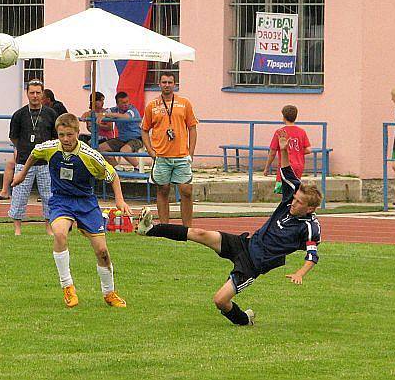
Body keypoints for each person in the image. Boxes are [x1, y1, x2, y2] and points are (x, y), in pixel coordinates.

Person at [136, 129, 323, 326]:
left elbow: (312, 254)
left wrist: (299, 274)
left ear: (310, 208)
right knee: (199, 233)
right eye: (294, 199)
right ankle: (149, 229)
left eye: (299, 202)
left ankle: (244, 320)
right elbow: (286, 172)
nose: (293, 203)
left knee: (220, 300)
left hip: (253, 264)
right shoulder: (291, 198)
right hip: (245, 243)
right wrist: (283, 151)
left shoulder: (311, 226)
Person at [12, 113, 130, 308]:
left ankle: (109, 293)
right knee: (59, 234)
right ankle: (67, 287)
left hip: (86, 203)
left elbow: (112, 174)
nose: (65, 139)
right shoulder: (50, 148)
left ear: (77, 132)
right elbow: (34, 153)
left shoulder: (89, 155)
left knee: (102, 251)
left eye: (69, 135)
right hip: (61, 200)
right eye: (61, 135)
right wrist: (22, 174)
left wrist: (119, 200)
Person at [140, 72, 198, 227]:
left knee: (186, 191)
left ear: (175, 84)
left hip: (181, 155)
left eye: (170, 82)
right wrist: (151, 152)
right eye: (164, 82)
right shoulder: (152, 106)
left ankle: (187, 228)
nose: (167, 85)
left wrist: (191, 153)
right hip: (161, 156)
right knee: (163, 190)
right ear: (159, 84)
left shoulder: (184, 103)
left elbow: (192, 128)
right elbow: (144, 130)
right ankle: (165, 227)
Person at [9, 79, 57, 236]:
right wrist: (23, 150)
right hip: (24, 161)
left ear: (42, 93)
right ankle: (17, 228)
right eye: (32, 93)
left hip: (46, 163)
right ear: (27, 94)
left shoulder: (50, 114)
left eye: (38, 92)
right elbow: (14, 137)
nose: (35, 96)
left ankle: (49, 227)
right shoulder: (19, 115)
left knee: (49, 196)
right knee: (19, 195)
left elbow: (55, 138)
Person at [262, 105, 312, 193]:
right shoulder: (302, 132)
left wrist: (267, 167)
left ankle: (287, 206)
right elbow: (308, 149)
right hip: (298, 166)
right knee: (295, 190)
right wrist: (298, 152)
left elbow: (272, 152)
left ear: (284, 118)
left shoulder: (280, 132)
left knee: (285, 192)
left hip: (285, 166)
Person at [100, 91, 144, 170]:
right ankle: (117, 168)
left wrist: (107, 115)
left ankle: (139, 168)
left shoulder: (132, 110)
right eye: (123, 102)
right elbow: (103, 112)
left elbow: (126, 117)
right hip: (121, 139)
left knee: (124, 150)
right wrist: (100, 115)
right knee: (101, 148)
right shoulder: (114, 110)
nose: (126, 104)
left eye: (127, 101)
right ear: (117, 103)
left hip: (136, 139)